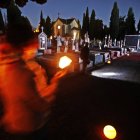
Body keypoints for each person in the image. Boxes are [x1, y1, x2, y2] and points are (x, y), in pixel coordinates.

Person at [0, 17, 67, 139]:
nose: (36, 47)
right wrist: (55, 82)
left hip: (12, 123)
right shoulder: (21, 73)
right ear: (23, 46)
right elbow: (40, 104)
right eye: (32, 43)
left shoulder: (7, 64)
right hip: (28, 127)